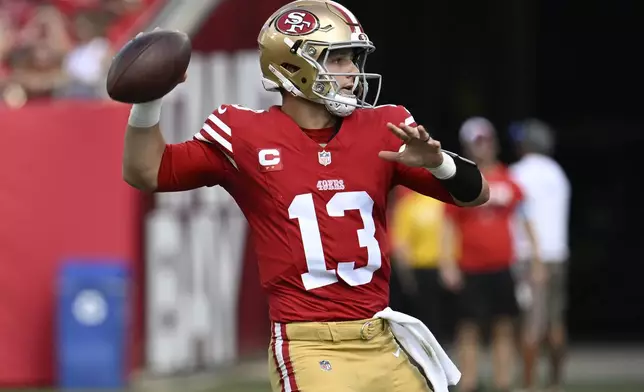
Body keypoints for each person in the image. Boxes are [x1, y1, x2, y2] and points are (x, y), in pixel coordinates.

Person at [119, 1, 490, 391]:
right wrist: (147, 100)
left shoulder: (384, 127)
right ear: (296, 65)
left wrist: (440, 163)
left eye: (354, 60)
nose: (353, 74)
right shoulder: (245, 134)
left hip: (381, 337)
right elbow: (146, 171)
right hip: (310, 345)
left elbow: (477, 194)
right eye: (340, 59)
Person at [439, 117, 543, 392]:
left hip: (502, 266)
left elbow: (526, 220)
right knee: (468, 329)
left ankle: (502, 383)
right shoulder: (459, 181)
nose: (482, 147)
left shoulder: (508, 178)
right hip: (470, 267)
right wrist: (447, 263)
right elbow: (448, 225)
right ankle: (469, 384)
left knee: (503, 326)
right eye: (477, 143)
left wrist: (536, 259)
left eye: (486, 141)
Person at [509, 119, 571, 392]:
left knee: (530, 322)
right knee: (555, 322)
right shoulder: (558, 174)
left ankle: (528, 383)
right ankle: (556, 381)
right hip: (557, 255)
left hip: (528, 255)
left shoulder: (517, 173)